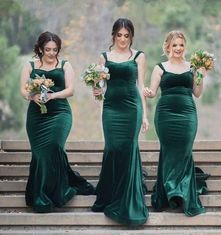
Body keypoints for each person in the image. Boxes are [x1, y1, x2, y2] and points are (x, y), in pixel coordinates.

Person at [20, 31, 95, 213]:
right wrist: (33, 95)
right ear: (40, 49)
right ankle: (40, 194)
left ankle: (55, 192)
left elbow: (70, 90)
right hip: (37, 116)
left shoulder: (65, 65)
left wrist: (52, 96)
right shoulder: (30, 66)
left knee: (54, 145)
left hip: (60, 113)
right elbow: (23, 91)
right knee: (40, 154)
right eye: (48, 49)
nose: (52, 53)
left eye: (55, 49)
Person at [143, 30, 209, 216]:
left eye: (181, 45)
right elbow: (153, 92)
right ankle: (170, 192)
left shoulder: (192, 66)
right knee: (170, 152)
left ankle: (182, 193)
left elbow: (197, 93)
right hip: (165, 115)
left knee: (184, 151)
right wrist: (147, 92)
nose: (178, 48)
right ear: (168, 47)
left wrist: (201, 75)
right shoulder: (160, 67)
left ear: (185, 47)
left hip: (187, 114)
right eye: (174, 45)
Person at [91, 18, 149, 225]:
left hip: (132, 109)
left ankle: (128, 198)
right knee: (113, 148)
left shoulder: (139, 56)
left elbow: (141, 86)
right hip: (111, 108)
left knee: (128, 148)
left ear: (131, 36)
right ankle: (110, 195)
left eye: (127, 35)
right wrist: (96, 90)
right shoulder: (104, 57)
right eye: (119, 35)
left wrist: (144, 115)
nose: (123, 39)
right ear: (113, 35)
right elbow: (99, 89)